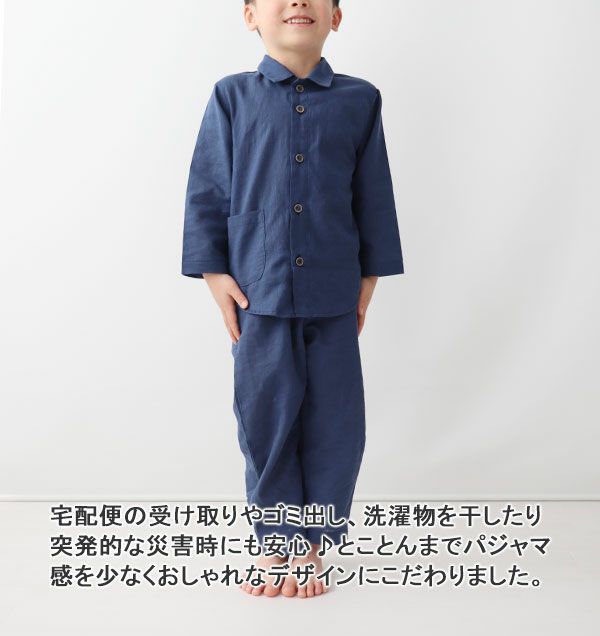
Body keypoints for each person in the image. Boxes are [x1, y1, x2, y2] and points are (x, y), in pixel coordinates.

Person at [181, 0, 404, 599]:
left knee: (336, 424)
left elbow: (373, 193)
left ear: (337, 17)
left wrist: (369, 279)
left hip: (334, 289)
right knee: (266, 420)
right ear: (251, 15)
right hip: (258, 291)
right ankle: (276, 540)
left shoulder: (360, 100)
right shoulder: (232, 95)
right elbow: (208, 188)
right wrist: (213, 273)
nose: (298, 2)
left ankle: (313, 542)